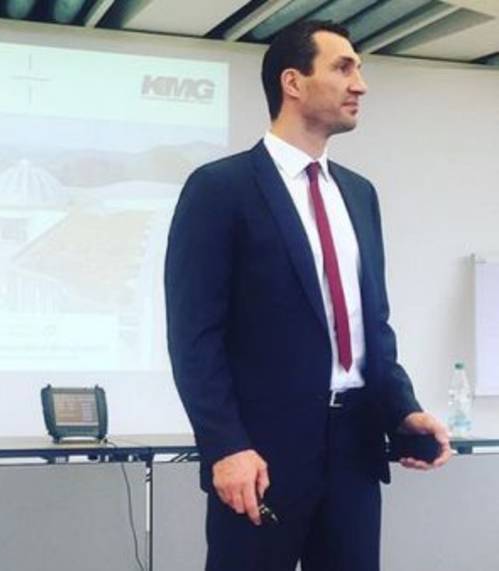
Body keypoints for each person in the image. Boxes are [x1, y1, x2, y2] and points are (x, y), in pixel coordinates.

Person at [164, 20, 452, 571]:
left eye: (359, 69)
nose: (360, 84)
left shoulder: (359, 194)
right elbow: (194, 337)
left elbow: (372, 328)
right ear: (293, 82)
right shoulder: (220, 188)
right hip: (258, 458)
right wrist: (225, 446)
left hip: (354, 453)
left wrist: (404, 410)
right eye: (343, 68)